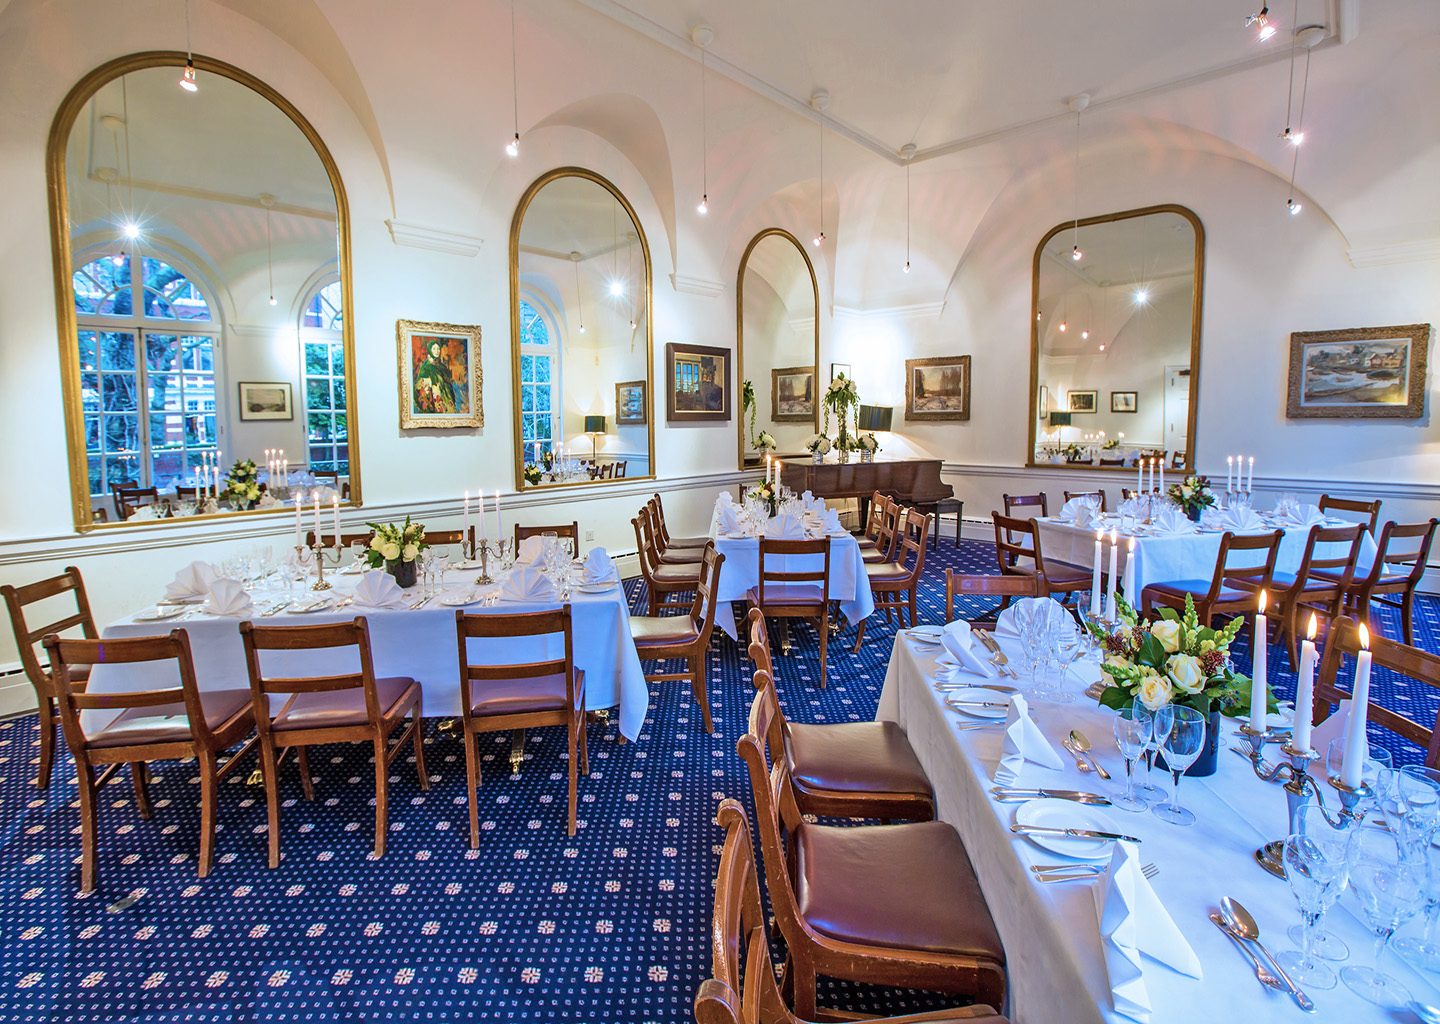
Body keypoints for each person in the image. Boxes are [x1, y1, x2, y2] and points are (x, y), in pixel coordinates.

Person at [414, 339, 456, 414]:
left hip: (446, 401)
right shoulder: (425, 367)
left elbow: (448, 383)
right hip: (434, 401)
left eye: (438, 349)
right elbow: (420, 387)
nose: (437, 351)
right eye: (434, 349)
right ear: (430, 350)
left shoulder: (442, 367)